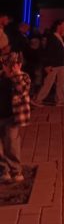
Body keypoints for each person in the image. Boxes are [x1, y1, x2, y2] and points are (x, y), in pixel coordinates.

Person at [0, 53, 31, 183]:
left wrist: (16, 74)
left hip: (11, 117)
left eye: (17, 64)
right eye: (10, 65)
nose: (13, 67)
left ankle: (16, 170)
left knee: (11, 144)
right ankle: (3, 170)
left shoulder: (23, 77)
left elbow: (22, 89)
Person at [33, 20, 64, 107]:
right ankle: (37, 100)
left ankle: (60, 100)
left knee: (61, 83)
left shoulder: (60, 36)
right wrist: (47, 65)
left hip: (61, 63)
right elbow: (48, 52)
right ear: (58, 25)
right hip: (53, 64)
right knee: (48, 83)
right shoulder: (52, 37)